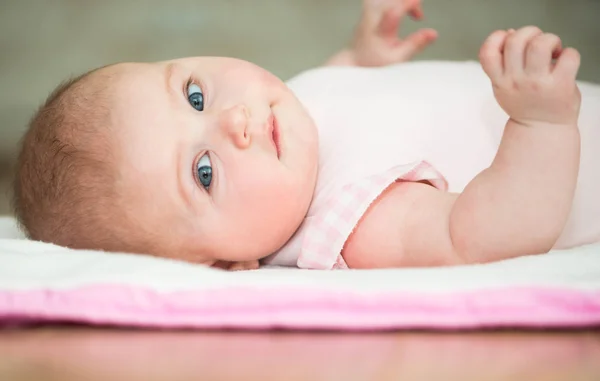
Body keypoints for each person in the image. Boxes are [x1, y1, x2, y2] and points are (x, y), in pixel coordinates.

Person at [13, 0, 600, 270]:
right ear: (227, 265)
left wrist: (361, 59)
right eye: (205, 172)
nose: (233, 122)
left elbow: (330, 98)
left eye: (195, 95)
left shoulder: (282, 124)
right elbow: (488, 235)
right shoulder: (354, 220)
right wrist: (540, 121)